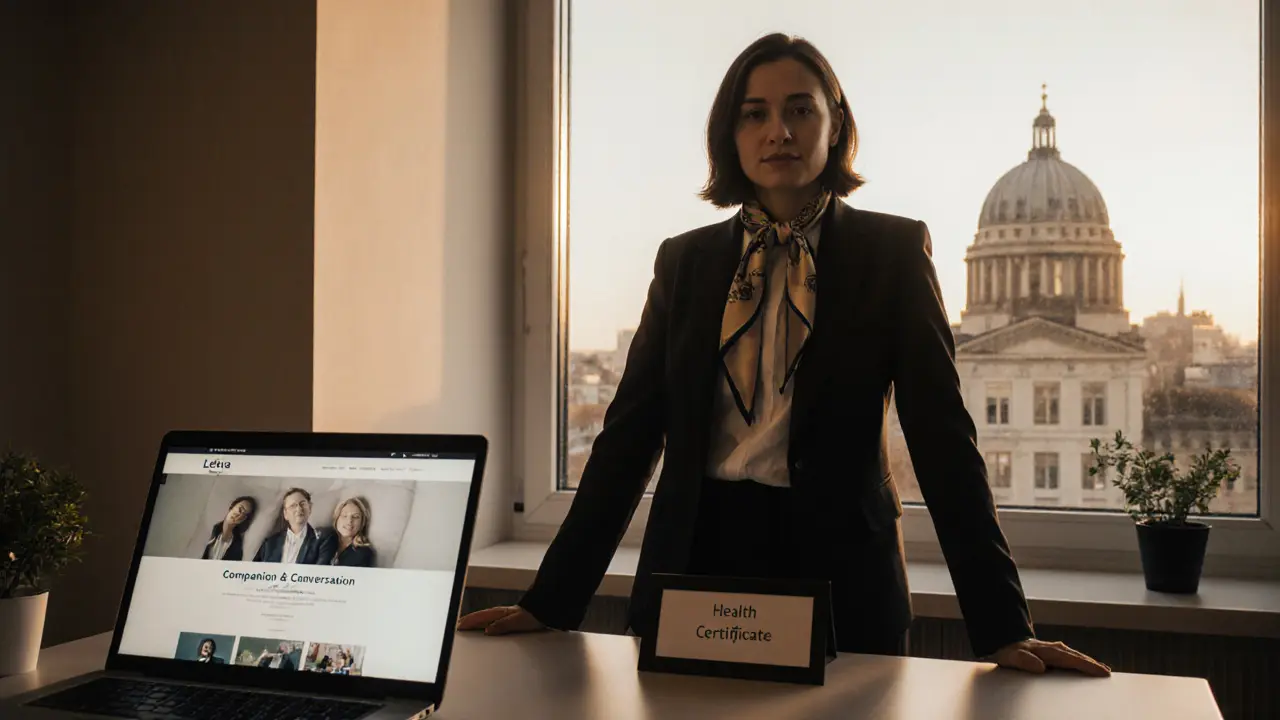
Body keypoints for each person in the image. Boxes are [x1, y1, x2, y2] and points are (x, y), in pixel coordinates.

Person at [458, 33, 1111, 677]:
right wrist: (550, 601)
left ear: (835, 124)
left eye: (800, 109)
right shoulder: (684, 262)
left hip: (842, 575)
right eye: (755, 114)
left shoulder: (891, 254)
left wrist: (1004, 626)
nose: (779, 132)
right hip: (696, 563)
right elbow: (628, 440)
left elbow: (943, 442)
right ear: (730, 133)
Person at [252, 488, 337, 565]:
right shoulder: (269, 543)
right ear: (285, 514)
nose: (299, 509)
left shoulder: (323, 539)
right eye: (293, 505)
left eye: (302, 504)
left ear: (310, 508)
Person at [200, 496, 257, 561]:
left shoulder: (237, 547)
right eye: (240, 509)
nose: (239, 515)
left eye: (244, 515)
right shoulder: (210, 530)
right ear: (232, 507)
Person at [328, 497, 376, 567]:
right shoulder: (325, 539)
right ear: (336, 519)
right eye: (344, 516)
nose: (349, 521)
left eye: (355, 517)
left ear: (362, 523)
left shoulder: (363, 554)